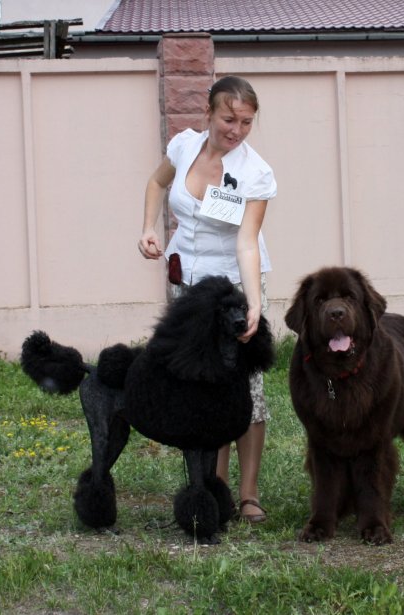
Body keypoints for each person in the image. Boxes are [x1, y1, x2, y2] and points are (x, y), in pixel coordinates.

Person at [138, 75, 276, 523]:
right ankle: (210, 486)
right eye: (228, 119)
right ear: (210, 113)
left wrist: (253, 304)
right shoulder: (183, 146)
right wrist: (148, 228)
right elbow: (157, 184)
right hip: (188, 293)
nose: (236, 130)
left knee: (247, 392)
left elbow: (248, 242)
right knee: (200, 388)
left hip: (235, 292)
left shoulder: (255, 173)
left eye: (246, 122)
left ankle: (249, 494)